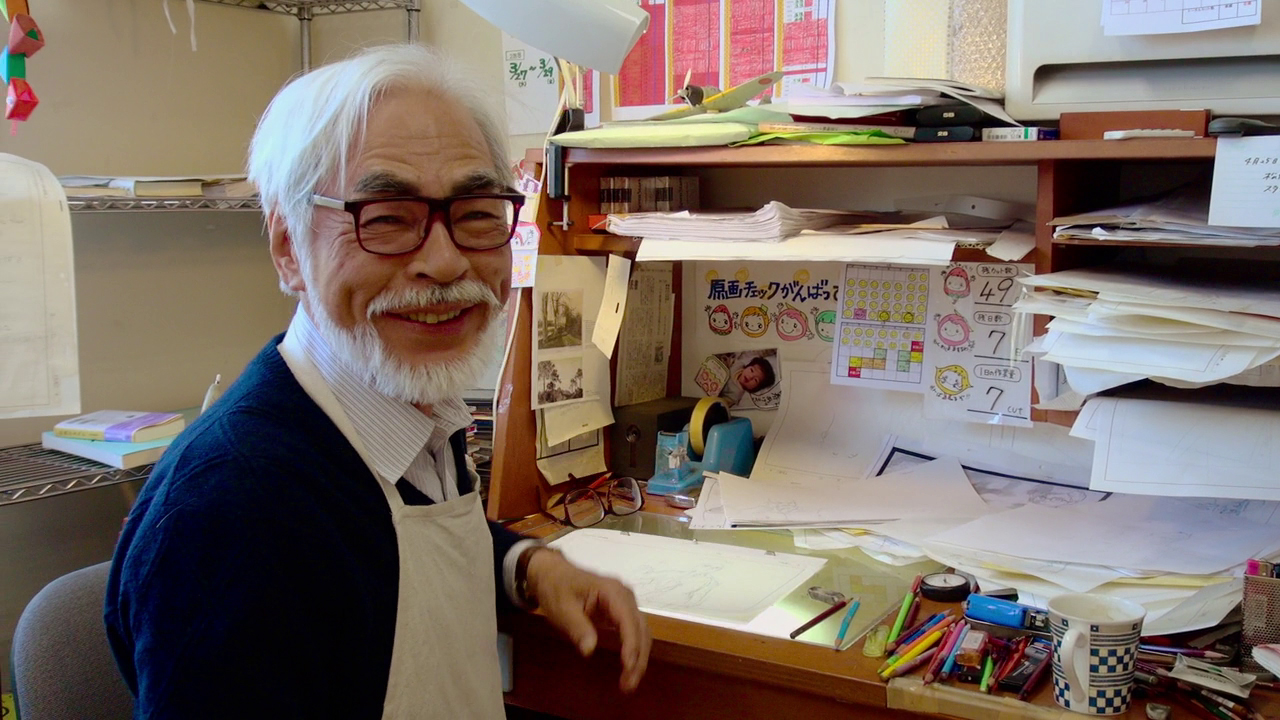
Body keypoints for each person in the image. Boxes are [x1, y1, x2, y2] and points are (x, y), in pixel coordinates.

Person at [105, 44, 650, 719]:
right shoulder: (233, 518)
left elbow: (384, 550)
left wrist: (528, 567)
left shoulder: (401, 406)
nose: (447, 262)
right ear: (288, 248)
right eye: (387, 219)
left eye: (478, 212)